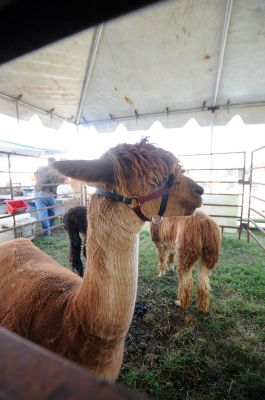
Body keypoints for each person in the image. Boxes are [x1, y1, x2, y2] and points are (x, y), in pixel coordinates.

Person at [34, 157, 67, 236]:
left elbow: (35, 175)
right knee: (51, 212)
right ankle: (50, 228)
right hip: (51, 195)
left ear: (48, 161)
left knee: (42, 213)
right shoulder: (57, 172)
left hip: (39, 193)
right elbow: (66, 181)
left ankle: (46, 233)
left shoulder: (41, 168)